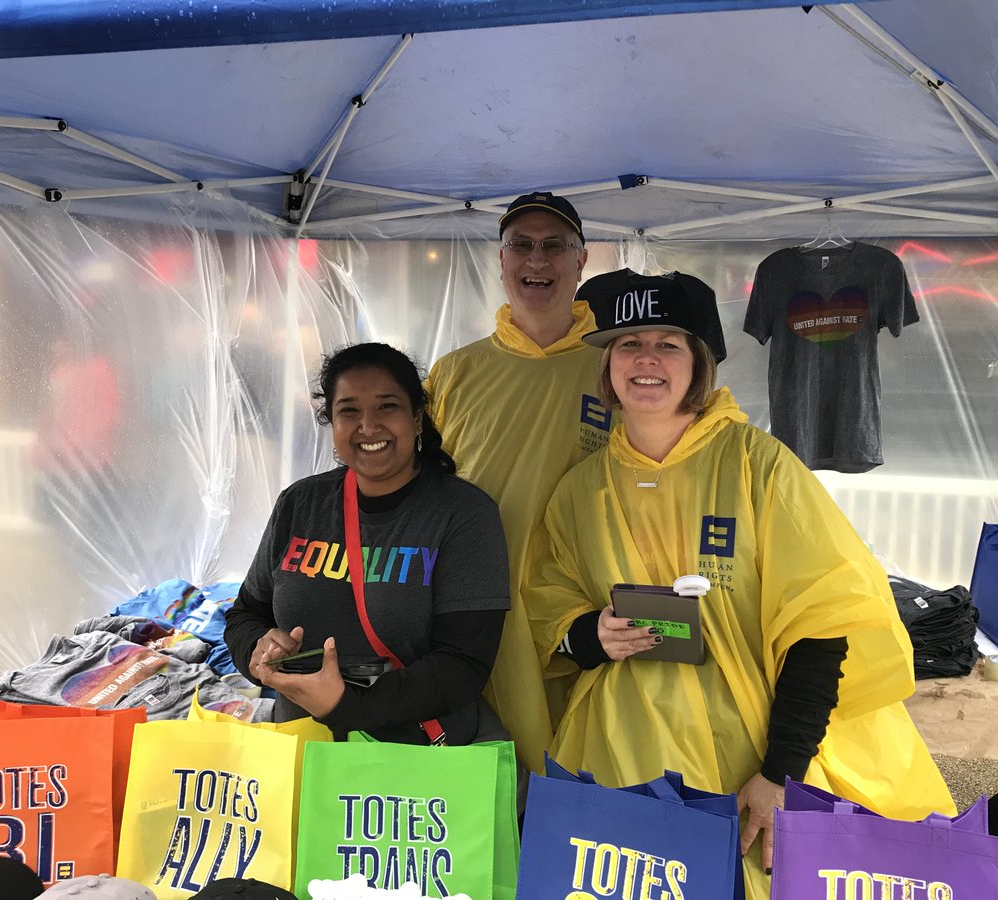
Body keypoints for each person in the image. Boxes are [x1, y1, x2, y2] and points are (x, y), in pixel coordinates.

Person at [524, 273, 955, 897]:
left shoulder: (761, 467)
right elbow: (550, 602)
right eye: (628, 344)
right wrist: (588, 635)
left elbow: (822, 623)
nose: (645, 359)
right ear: (607, 366)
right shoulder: (579, 490)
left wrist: (783, 771)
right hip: (619, 748)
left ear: (700, 363)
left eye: (669, 344)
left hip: (747, 749)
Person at [223, 342, 510, 745]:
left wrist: (345, 706)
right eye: (349, 411)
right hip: (302, 742)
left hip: (414, 758)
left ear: (416, 417)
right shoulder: (300, 503)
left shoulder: (464, 514)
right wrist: (258, 649)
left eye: (387, 406)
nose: (368, 426)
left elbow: (462, 666)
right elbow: (244, 614)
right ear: (332, 422)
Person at [427, 191, 611, 772]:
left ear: (581, 260)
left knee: (572, 768)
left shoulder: (616, 367)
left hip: (576, 613)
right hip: (472, 611)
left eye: (554, 246)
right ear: (501, 260)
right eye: (521, 246)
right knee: (482, 769)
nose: (538, 261)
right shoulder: (455, 372)